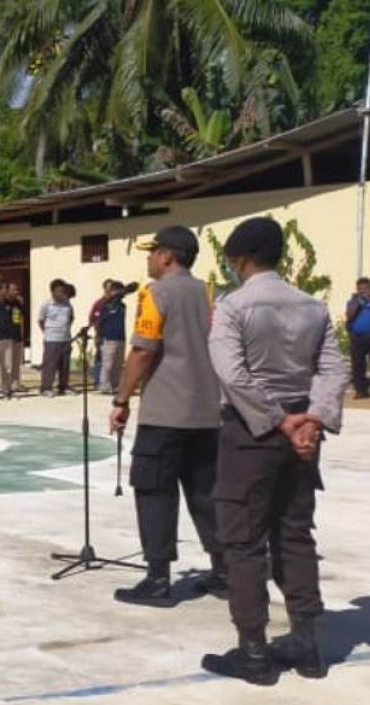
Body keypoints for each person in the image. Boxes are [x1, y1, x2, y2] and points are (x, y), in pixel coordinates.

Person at [202, 217, 350, 685]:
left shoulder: (233, 306)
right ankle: (306, 643)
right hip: (301, 434)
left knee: (244, 540)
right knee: (295, 532)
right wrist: (313, 418)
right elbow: (334, 369)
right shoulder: (312, 306)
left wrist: (279, 420)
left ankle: (253, 649)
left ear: (238, 260)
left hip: (253, 432)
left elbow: (232, 373)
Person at [109, 226, 223, 608]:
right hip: (207, 412)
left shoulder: (155, 293)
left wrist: (122, 398)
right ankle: (224, 570)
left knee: (155, 491)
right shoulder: (207, 292)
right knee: (206, 493)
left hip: (166, 412)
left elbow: (143, 351)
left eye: (152, 252)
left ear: (167, 257)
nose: (148, 258)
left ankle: (158, 579)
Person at [38, 280, 75, 396]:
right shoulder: (46, 304)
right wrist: (48, 331)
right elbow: (41, 320)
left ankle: (63, 386)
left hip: (65, 338)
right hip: (51, 339)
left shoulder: (67, 304)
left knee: (64, 365)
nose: (61, 293)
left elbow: (71, 318)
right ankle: (46, 388)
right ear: (52, 291)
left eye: (62, 291)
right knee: (50, 365)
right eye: (58, 291)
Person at [97, 281, 127, 395]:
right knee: (108, 363)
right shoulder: (106, 305)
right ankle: (104, 385)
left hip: (120, 337)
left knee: (118, 364)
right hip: (109, 337)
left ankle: (115, 385)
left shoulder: (122, 305)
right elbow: (100, 322)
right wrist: (99, 336)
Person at [88, 279, 115, 388]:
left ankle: (110, 382)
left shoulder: (116, 304)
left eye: (112, 288)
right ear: (105, 289)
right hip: (101, 335)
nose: (110, 290)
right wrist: (97, 333)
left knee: (110, 361)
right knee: (100, 359)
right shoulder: (99, 303)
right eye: (108, 288)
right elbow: (93, 318)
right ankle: (97, 381)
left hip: (113, 336)